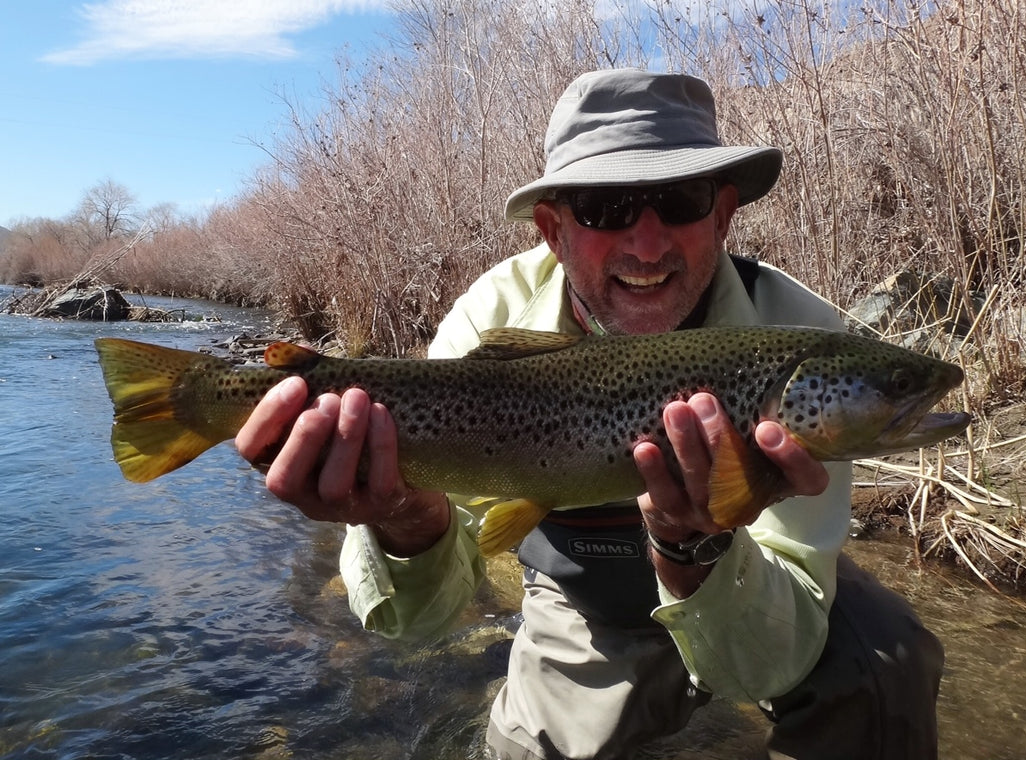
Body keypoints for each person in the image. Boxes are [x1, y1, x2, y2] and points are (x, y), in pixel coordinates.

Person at [235, 69, 944, 759]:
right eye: (606, 209)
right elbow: (421, 621)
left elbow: (769, 660)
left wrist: (693, 550)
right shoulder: (489, 316)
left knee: (887, 665)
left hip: (756, 580)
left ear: (723, 213)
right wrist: (406, 517)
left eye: (682, 200)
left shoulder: (802, 332)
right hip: (585, 608)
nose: (647, 244)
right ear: (552, 229)